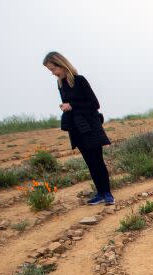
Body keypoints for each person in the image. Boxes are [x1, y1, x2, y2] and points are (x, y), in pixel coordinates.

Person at [42, 52, 114, 205]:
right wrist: (66, 107)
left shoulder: (79, 81)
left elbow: (94, 104)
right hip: (76, 128)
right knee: (90, 162)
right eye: (50, 71)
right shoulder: (60, 84)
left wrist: (72, 106)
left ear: (61, 64)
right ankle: (100, 193)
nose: (53, 73)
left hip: (90, 126)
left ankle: (107, 194)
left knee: (97, 161)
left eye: (53, 69)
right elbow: (70, 105)